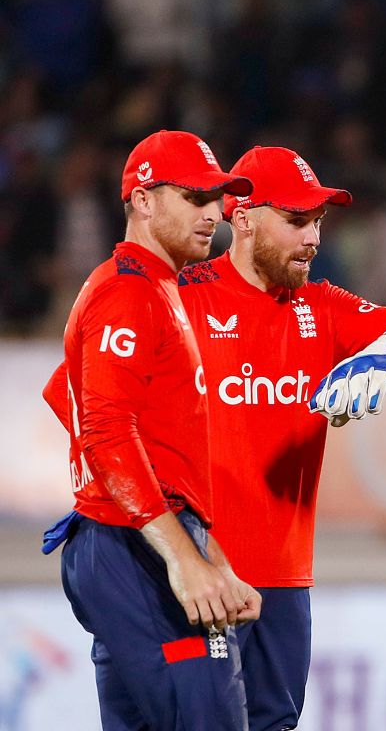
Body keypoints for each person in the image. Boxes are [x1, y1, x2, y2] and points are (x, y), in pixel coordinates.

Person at [177, 145, 386, 731]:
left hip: (286, 581)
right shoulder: (181, 296)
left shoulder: (321, 306)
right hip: (202, 577)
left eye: (319, 222)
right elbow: (88, 401)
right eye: (298, 221)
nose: (314, 239)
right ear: (242, 214)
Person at [41, 129, 263, 730]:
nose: (215, 214)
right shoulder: (129, 294)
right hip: (131, 548)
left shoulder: (154, 288)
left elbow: (67, 391)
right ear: (143, 200)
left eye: (217, 200)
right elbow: (106, 429)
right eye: (195, 199)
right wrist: (182, 558)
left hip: (125, 540)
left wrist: (207, 551)